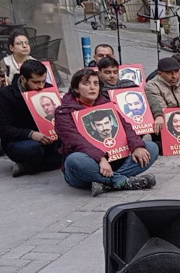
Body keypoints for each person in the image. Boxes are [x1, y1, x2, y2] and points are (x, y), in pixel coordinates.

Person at [55, 69, 158, 197]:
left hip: (115, 162)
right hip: (89, 166)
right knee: (74, 160)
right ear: (76, 88)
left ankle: (106, 183)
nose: (92, 87)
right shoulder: (63, 112)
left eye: (96, 83)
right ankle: (120, 181)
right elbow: (75, 141)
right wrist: (100, 158)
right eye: (86, 83)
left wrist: (137, 146)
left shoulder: (107, 105)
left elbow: (125, 127)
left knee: (151, 148)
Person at [0, 60, 61, 177]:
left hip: (49, 137)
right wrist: (30, 134)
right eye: (36, 82)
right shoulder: (6, 95)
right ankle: (49, 162)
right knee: (33, 149)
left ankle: (29, 167)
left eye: (43, 81)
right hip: (21, 140)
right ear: (23, 79)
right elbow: (4, 129)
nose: (41, 86)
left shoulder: (48, 89)